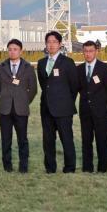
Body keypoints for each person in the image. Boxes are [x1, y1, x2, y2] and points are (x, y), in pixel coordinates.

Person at [37, 31, 80, 174]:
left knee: (66, 139)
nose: (51, 44)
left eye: (54, 41)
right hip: (46, 108)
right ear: (45, 44)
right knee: (48, 140)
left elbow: (74, 86)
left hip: (63, 108)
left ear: (60, 44)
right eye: (49, 42)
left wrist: (66, 101)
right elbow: (44, 85)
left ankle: (69, 167)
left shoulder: (68, 62)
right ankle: (50, 167)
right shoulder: (41, 63)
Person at [0, 39, 37, 173]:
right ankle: (7, 166)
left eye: (15, 49)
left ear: (21, 51)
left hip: (21, 109)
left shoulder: (28, 67)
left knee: (22, 140)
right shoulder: (1, 67)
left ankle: (23, 166)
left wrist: (24, 101)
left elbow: (33, 89)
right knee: (6, 139)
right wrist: (4, 99)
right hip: (5, 109)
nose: (12, 52)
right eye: (10, 49)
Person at [77, 40, 107, 173]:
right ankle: (87, 168)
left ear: (96, 51)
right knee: (86, 141)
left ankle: (102, 168)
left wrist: (105, 108)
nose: (88, 54)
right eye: (86, 51)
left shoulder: (105, 68)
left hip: (101, 112)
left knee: (102, 140)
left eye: (91, 51)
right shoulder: (79, 69)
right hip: (85, 112)